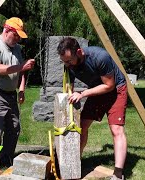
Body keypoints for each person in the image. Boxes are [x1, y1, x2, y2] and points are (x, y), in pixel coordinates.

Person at [57, 37, 127, 180]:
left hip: (116, 89)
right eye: (64, 61)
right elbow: (70, 86)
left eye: (69, 61)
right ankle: (74, 163)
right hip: (97, 89)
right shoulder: (69, 64)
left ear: (79, 52)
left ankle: (118, 174)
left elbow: (109, 85)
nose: (67, 65)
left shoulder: (100, 57)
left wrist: (82, 94)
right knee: (82, 127)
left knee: (116, 129)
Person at [0, 17, 35, 177]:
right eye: (16, 35)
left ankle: (6, 158)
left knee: (14, 127)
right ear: (7, 30)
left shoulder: (16, 48)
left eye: (19, 36)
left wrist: (22, 89)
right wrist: (21, 66)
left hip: (10, 94)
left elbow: (21, 71)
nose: (18, 38)